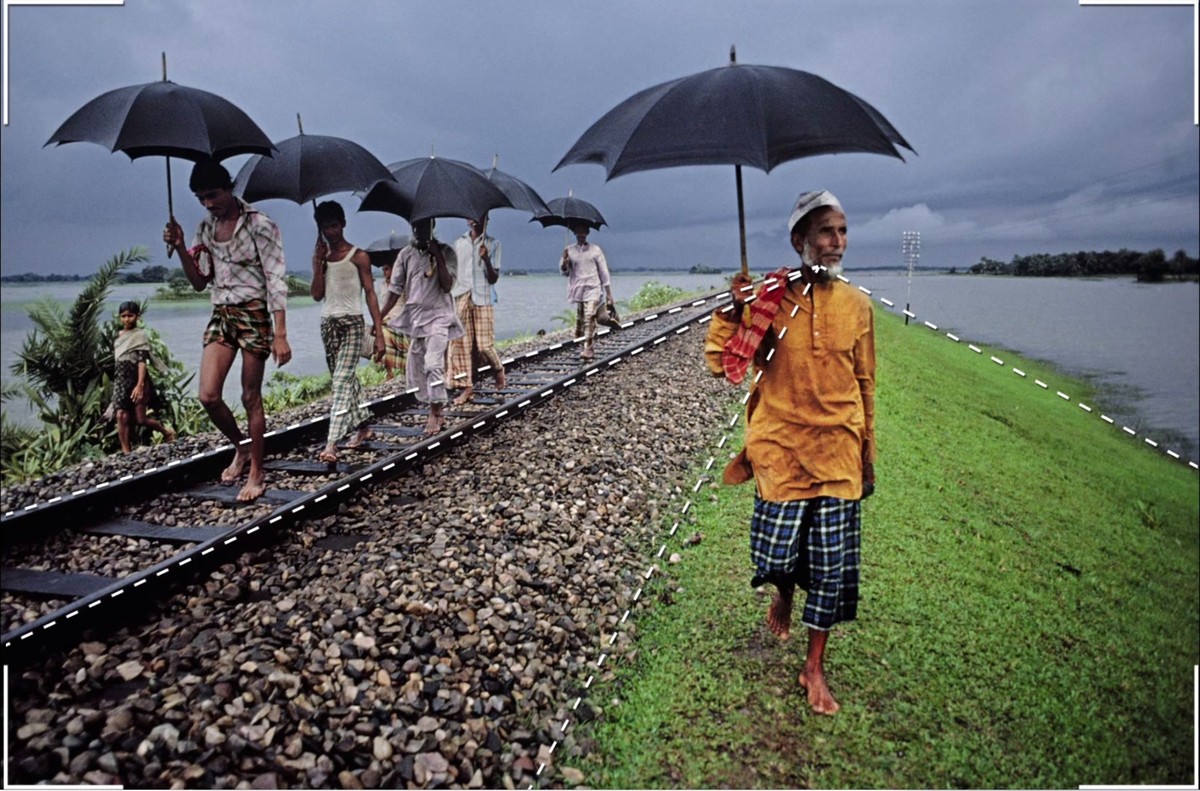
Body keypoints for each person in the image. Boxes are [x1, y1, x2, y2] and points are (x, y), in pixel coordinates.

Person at [704, 190, 876, 716]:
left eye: (843, 231)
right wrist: (736, 309)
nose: (837, 242)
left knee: (830, 569)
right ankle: (782, 589)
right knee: (775, 555)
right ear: (800, 240)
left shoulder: (858, 304)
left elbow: (866, 383)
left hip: (838, 451)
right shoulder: (770, 300)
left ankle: (814, 667)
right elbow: (718, 361)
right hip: (780, 447)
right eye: (827, 232)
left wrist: (867, 452)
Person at [162, 159, 291, 502]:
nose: (208, 203)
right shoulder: (204, 229)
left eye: (213, 195)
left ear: (229, 188)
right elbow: (198, 283)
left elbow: (276, 280)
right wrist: (178, 249)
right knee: (208, 395)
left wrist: (280, 333)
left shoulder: (260, 225)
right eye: (201, 198)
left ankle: (257, 472)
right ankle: (243, 446)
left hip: (253, 313)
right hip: (222, 312)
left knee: (250, 396)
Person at [310, 201, 386, 463]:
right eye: (325, 227)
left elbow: (371, 294)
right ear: (320, 229)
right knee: (347, 379)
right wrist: (318, 263)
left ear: (343, 224)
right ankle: (364, 426)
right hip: (328, 323)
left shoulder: (359, 256)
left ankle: (331, 443)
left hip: (353, 323)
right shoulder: (322, 257)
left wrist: (379, 333)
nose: (331, 231)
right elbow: (317, 294)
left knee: (341, 381)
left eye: (334, 225)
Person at [379, 218, 462, 436]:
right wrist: (379, 317)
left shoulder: (447, 251)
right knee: (416, 369)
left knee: (433, 363)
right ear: (412, 227)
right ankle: (434, 404)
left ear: (432, 226)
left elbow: (447, 285)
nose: (420, 230)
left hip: (440, 316)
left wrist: (437, 257)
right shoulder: (406, 255)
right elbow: (395, 289)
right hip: (416, 319)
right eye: (416, 226)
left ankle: (435, 411)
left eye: (425, 226)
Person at [449, 213, 507, 404]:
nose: (474, 220)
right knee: (462, 346)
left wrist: (487, 259)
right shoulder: (459, 244)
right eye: (470, 216)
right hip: (462, 297)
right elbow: (453, 274)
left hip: (483, 297)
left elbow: (493, 278)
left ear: (485, 220)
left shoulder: (494, 244)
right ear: (467, 220)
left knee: (483, 345)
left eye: (479, 216)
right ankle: (467, 387)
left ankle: (498, 369)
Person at [111, 301, 175, 453]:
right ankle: (126, 451)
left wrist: (139, 385)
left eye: (130, 316)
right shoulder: (119, 336)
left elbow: (142, 362)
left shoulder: (139, 336)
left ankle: (166, 432)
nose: (127, 319)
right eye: (124, 316)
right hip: (121, 381)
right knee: (120, 415)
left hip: (137, 381)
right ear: (120, 317)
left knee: (141, 419)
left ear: (137, 316)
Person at [560, 223, 615, 360]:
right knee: (583, 319)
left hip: (593, 287)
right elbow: (565, 273)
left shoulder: (595, 250)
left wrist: (609, 293)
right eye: (578, 232)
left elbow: (603, 272)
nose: (581, 235)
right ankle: (607, 321)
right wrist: (565, 263)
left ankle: (588, 348)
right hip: (578, 289)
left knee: (589, 315)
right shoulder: (569, 250)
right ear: (575, 233)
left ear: (587, 233)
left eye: (583, 232)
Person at [376, 257, 409, 381]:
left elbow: (407, 302)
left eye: (387, 269)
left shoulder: (402, 284)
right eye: (383, 270)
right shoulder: (382, 286)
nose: (385, 272)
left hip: (401, 319)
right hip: (387, 319)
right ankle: (389, 372)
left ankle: (407, 370)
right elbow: (381, 304)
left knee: (406, 346)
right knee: (383, 336)